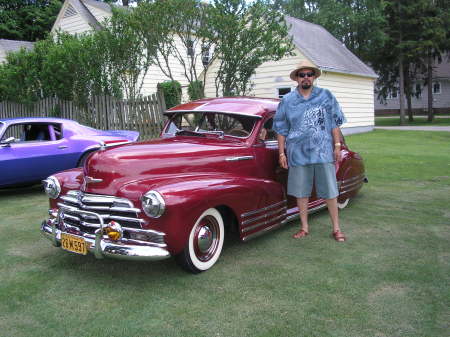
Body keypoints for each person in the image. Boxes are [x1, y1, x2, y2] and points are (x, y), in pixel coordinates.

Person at [273, 60, 347, 242]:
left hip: (323, 152)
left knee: (330, 191)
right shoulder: (288, 101)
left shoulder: (326, 96)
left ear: (313, 77)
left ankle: (336, 228)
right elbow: (281, 128)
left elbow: (334, 123)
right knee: (301, 192)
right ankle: (304, 227)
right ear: (297, 78)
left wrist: (337, 146)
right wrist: (281, 153)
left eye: (309, 74)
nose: (306, 77)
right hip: (297, 154)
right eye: (302, 74)